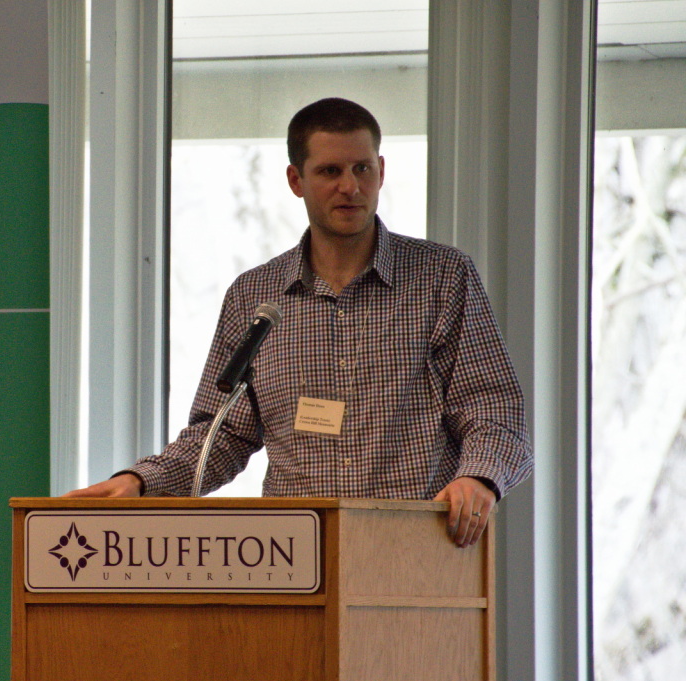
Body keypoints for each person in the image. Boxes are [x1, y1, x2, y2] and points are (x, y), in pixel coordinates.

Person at [66, 97, 533, 548]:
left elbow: (493, 410)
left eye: (362, 169)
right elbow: (222, 434)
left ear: (381, 171)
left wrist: (478, 478)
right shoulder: (254, 296)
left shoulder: (442, 277)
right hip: (295, 557)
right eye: (330, 171)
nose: (350, 187)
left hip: (417, 548)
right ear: (296, 180)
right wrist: (140, 481)